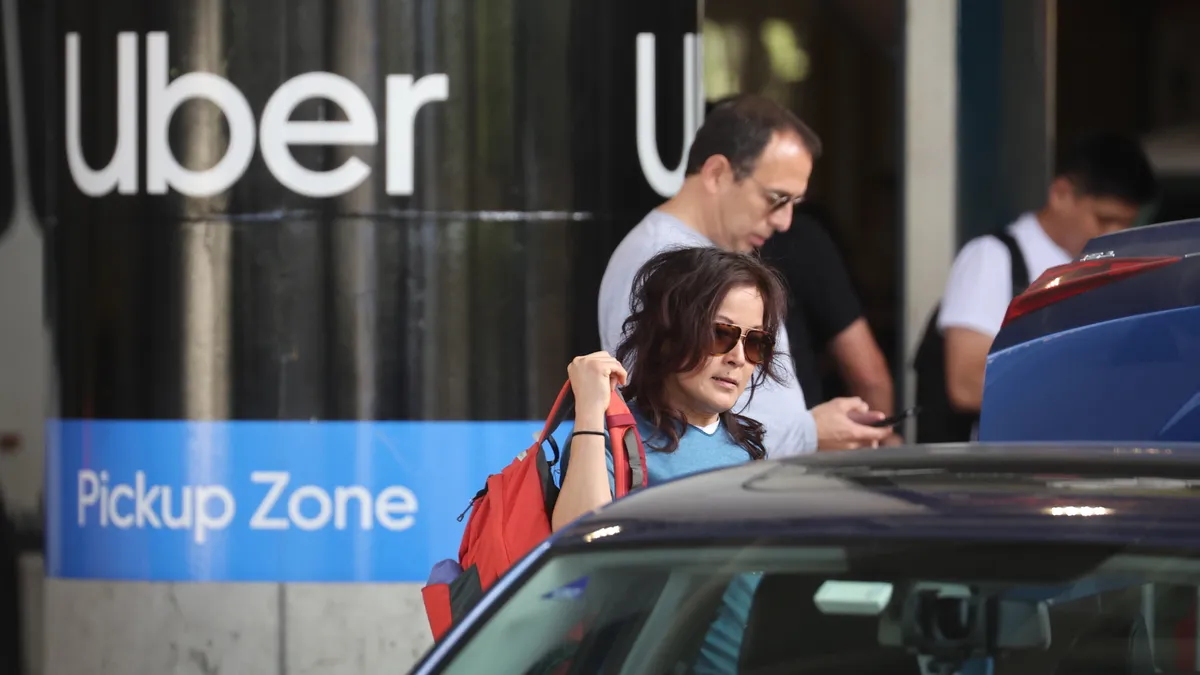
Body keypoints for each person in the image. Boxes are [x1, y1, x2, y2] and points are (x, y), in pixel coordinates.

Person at [597, 94, 892, 456]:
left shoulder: (700, 253)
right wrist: (808, 433)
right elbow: (665, 425)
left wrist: (808, 429)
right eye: (775, 198)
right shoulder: (662, 262)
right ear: (717, 172)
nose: (784, 222)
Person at [553, 246, 788, 673]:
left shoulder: (750, 450)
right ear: (668, 333)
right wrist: (590, 409)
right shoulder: (612, 439)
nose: (737, 357)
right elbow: (574, 547)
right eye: (720, 334)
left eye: (756, 342)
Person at [920, 131, 1158, 441]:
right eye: (1103, 219)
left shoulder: (1112, 270)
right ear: (1061, 195)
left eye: (1125, 224)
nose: (1114, 234)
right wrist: (1086, 394)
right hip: (1007, 475)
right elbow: (967, 383)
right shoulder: (993, 260)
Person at [759, 204, 900, 445]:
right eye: (777, 197)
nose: (783, 220)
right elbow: (869, 374)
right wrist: (883, 445)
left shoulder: (797, 240)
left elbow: (869, 373)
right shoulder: (794, 240)